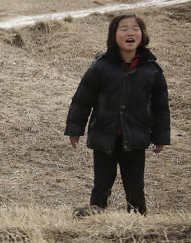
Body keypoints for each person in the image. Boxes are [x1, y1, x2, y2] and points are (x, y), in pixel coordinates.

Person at [65, 14, 171, 216]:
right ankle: (95, 221)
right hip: (105, 137)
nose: (130, 32)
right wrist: (74, 130)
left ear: (142, 35)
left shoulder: (151, 70)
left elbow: (161, 108)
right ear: (113, 35)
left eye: (135, 28)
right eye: (123, 29)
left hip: (136, 138)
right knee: (101, 186)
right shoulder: (101, 67)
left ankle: (138, 223)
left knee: (135, 188)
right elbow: (82, 100)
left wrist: (160, 137)